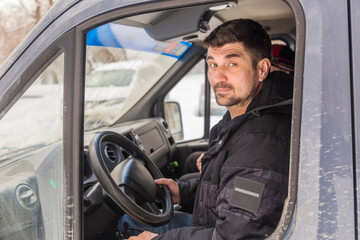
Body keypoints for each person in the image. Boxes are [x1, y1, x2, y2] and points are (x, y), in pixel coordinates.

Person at [120, 18, 293, 240]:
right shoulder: (245, 114)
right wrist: (182, 192)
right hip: (214, 223)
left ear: (261, 69)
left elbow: (235, 236)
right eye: (213, 64)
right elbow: (227, 189)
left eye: (232, 64)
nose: (218, 78)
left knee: (130, 223)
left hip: (219, 232)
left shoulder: (261, 144)